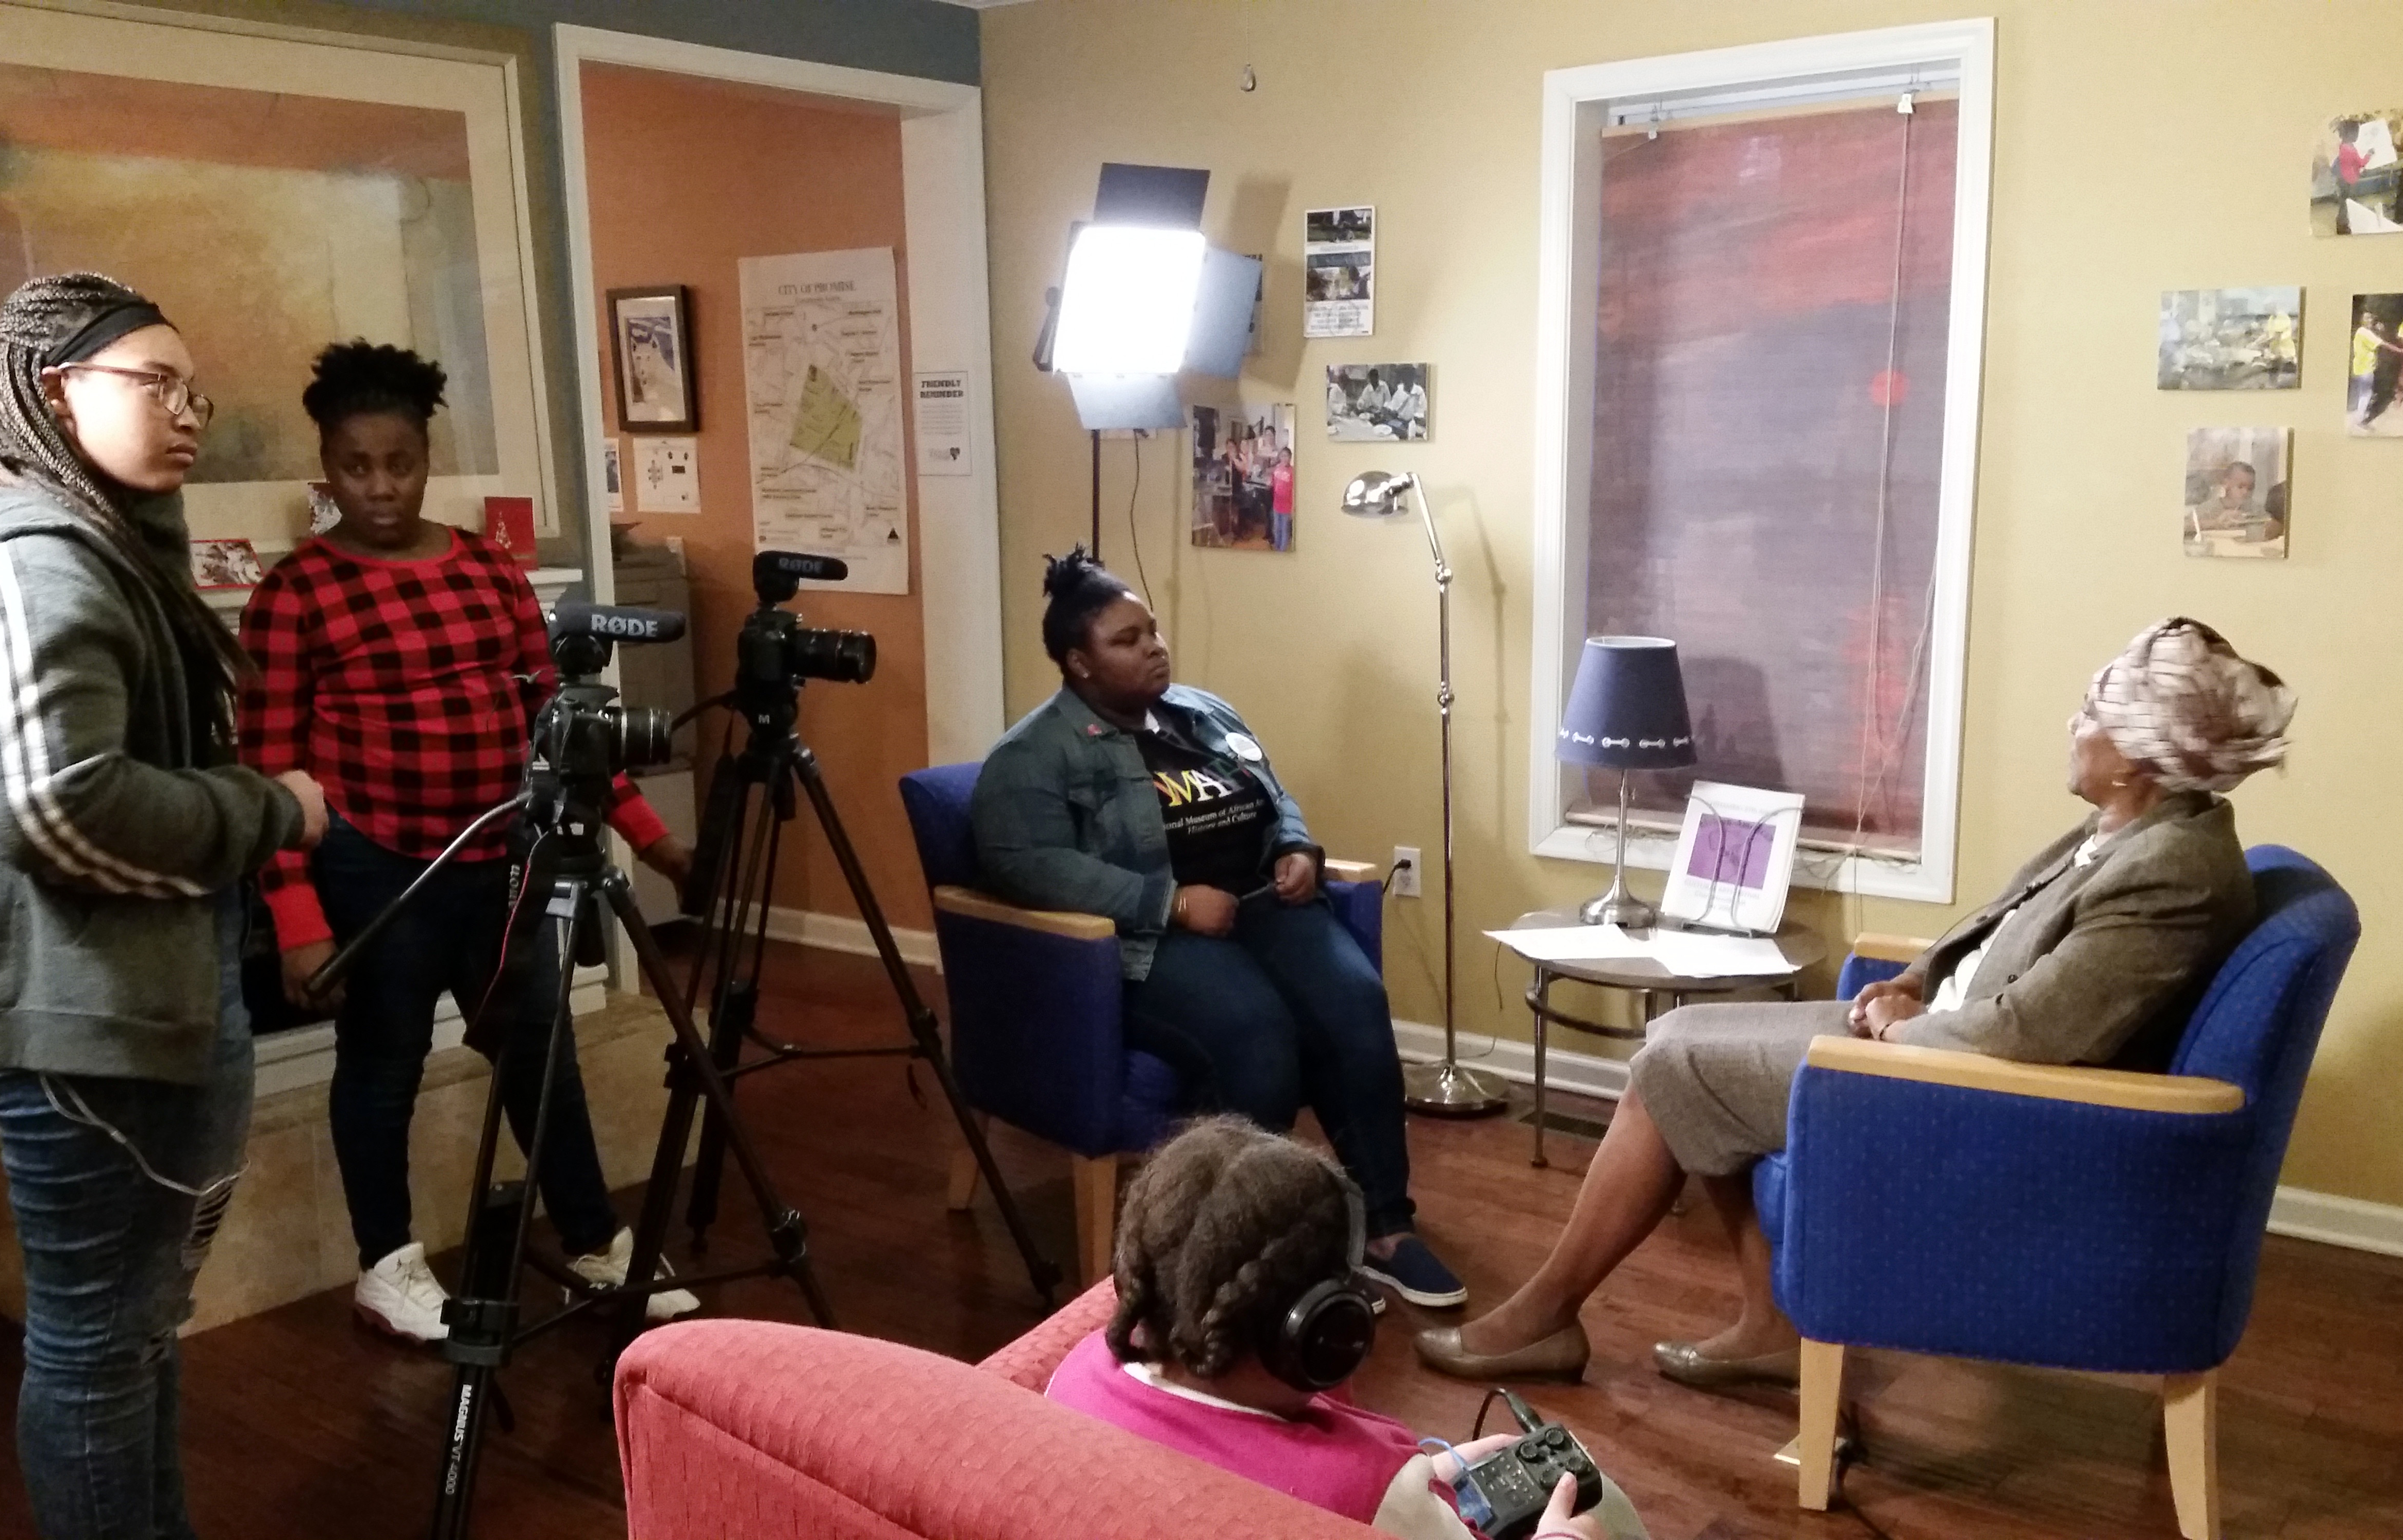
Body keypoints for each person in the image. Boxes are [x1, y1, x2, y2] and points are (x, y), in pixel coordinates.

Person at [1416, 619, 2294, 1387]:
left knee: (1674, 1065)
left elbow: (2035, 1031)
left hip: (1978, 1094)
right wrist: (1917, 979)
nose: (2073, 725)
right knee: (1678, 1037)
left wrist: (1910, 1025)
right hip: (1933, 1037)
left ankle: (1547, 1314)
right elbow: (2011, 949)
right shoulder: (2131, 832)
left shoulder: (2170, 868)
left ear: (2139, 753)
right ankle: (1767, 1326)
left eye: (2091, 712)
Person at [0, 273, 326, 1539]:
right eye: (153, 382)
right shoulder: (31, 559)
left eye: (195, 388)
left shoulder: (89, 538)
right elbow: (59, 803)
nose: (188, 411)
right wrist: (269, 807)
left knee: (132, 1332)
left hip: (121, 988)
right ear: (54, 391)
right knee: (100, 1346)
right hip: (79, 1011)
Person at [238, 341, 698, 1342]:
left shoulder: (487, 569)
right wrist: (297, 919)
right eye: (356, 468)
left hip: (503, 863)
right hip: (377, 867)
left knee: (542, 1055)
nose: (380, 488)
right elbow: (270, 773)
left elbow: (558, 723)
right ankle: (386, 1262)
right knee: (382, 1063)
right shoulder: (296, 592)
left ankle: (592, 1243)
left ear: (425, 457)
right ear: (329, 468)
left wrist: (651, 839)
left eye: (398, 463)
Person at [973, 550, 1465, 1307]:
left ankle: (1385, 1228)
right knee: (1255, 1031)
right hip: (1152, 939)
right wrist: (1165, 900)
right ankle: (1235, 1251)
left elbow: (1273, 793)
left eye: (1154, 631)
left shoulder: (1204, 712)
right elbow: (1025, 865)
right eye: (1127, 640)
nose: (1154, 647)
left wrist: (1296, 847)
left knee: (1355, 1002)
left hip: (1263, 905)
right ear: (1079, 663)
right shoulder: (1033, 757)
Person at [1046, 1116, 1640, 1540]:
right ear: (1322, 1332)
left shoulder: (1071, 1381)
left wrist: (1434, 1476)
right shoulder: (1365, 1496)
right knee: (1596, 1503)